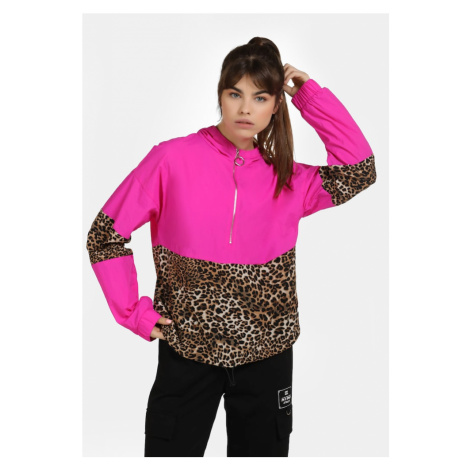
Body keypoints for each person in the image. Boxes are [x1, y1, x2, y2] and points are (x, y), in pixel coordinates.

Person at [86, 36, 377, 457]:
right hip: (187, 351)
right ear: (220, 95)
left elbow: (358, 171)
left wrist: (310, 97)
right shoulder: (170, 160)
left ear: (275, 105)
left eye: (260, 97)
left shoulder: (289, 179)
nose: (245, 109)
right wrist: (135, 314)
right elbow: (105, 233)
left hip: (267, 355)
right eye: (235, 94)